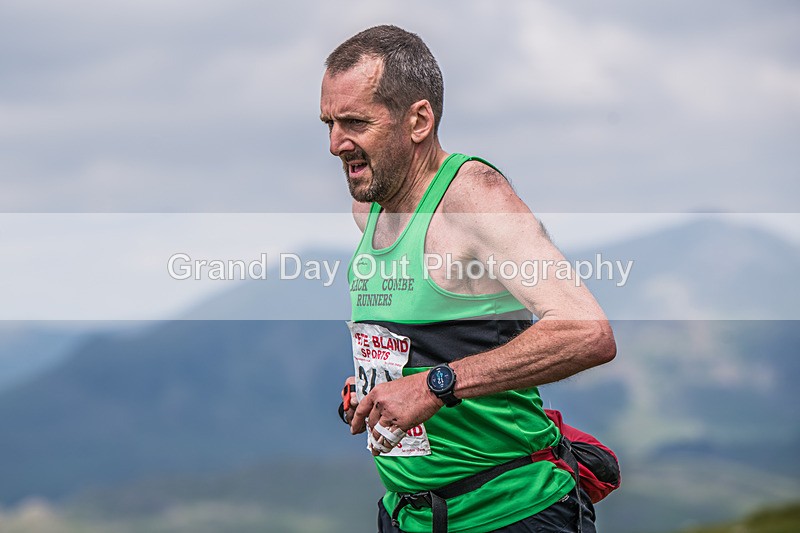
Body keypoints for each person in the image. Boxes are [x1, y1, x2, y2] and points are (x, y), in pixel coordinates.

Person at [320, 25, 616, 533]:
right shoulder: (368, 210)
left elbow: (586, 331)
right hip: (412, 515)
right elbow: (441, 337)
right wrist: (381, 384)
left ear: (418, 120)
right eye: (328, 122)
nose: (334, 144)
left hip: (511, 513)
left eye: (355, 122)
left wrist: (436, 385)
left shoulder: (474, 197)